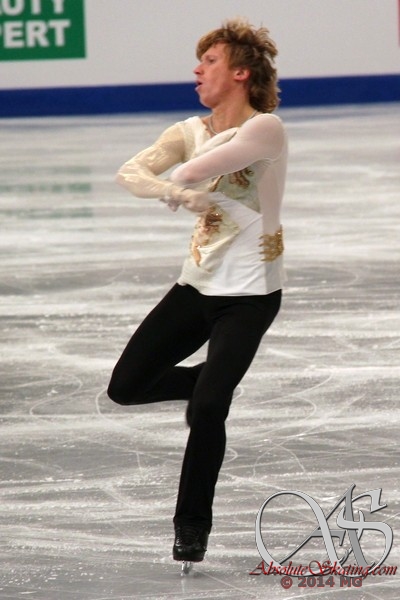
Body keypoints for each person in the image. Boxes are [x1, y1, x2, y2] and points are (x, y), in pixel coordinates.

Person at [107, 17, 288, 564]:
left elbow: (198, 169)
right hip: (195, 288)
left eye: (209, 61)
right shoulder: (187, 129)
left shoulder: (266, 129)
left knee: (209, 408)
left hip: (251, 296)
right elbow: (130, 172)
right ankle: (204, 382)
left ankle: (191, 527)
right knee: (126, 388)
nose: (197, 69)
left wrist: (180, 186)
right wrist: (168, 187)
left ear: (240, 73)